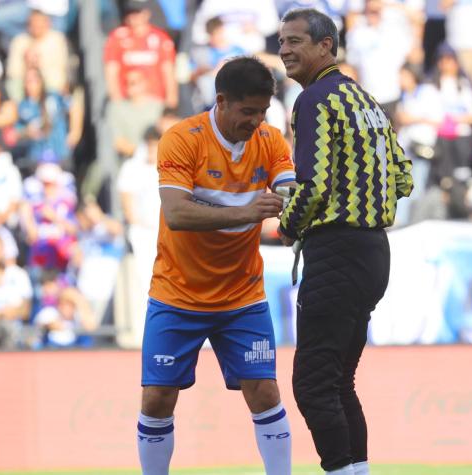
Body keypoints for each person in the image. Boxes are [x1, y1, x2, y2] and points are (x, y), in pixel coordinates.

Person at [136, 56, 296, 475]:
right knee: (156, 398)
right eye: (248, 111)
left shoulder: (271, 140)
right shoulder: (181, 139)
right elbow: (177, 214)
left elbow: (289, 190)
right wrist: (248, 213)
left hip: (242, 296)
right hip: (177, 293)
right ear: (221, 102)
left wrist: (297, 214)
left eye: (263, 111)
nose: (256, 120)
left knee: (264, 391)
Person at [277, 8, 413, 475]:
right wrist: (363, 198)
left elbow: (312, 185)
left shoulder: (315, 99)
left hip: (336, 249)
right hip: (374, 250)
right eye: (282, 41)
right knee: (338, 382)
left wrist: (286, 226)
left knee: (314, 385)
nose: (285, 50)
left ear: (325, 46)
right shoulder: (364, 98)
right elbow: (403, 176)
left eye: (296, 40)